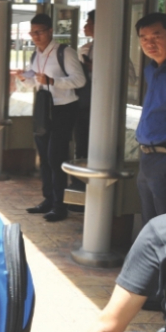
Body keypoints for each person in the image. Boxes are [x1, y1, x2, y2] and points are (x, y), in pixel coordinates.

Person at [17, 13, 86, 222]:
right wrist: (25, 78)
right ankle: (48, 200)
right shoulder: (35, 54)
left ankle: (60, 205)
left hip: (63, 109)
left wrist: (52, 80)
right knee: (44, 157)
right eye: (32, 32)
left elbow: (80, 80)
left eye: (39, 32)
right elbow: (35, 82)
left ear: (49, 31)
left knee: (56, 157)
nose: (35, 36)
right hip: (43, 108)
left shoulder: (65, 52)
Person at [133, 12, 166, 226]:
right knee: (150, 225)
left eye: (156, 36)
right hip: (148, 158)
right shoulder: (151, 69)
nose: (149, 43)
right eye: (144, 38)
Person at [68, 11, 95, 196]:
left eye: (89, 22)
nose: (85, 26)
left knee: (93, 148)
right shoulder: (85, 48)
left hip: (99, 109)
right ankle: (79, 187)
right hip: (82, 104)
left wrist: (96, 68)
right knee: (81, 146)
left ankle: (88, 188)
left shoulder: (114, 48)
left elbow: (131, 77)